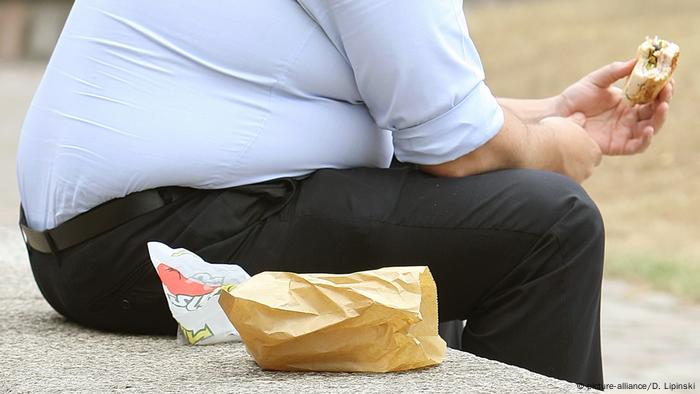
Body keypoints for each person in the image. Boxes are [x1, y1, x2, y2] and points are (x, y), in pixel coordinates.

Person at [16, 0, 672, 389]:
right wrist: (555, 151)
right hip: (159, 251)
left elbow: (417, 114)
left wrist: (550, 113)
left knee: (449, 219)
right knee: (551, 224)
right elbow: (457, 146)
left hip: (99, 243)